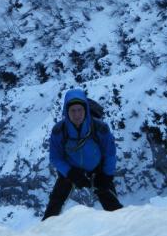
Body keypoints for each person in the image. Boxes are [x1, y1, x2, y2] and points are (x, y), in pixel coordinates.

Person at [42, 88, 123, 220]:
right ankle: (43, 234)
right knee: (54, 205)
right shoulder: (59, 131)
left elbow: (110, 153)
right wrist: (70, 173)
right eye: (73, 111)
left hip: (98, 170)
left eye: (80, 110)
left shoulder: (99, 128)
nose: (77, 114)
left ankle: (125, 229)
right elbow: (55, 157)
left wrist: (107, 176)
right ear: (66, 112)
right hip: (71, 170)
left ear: (86, 110)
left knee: (113, 207)